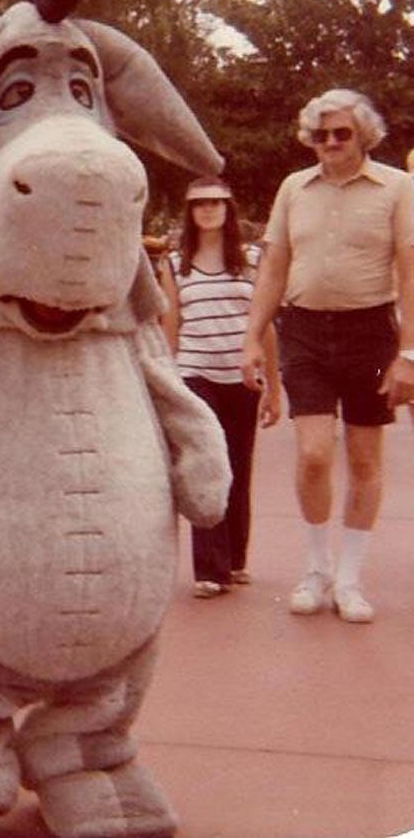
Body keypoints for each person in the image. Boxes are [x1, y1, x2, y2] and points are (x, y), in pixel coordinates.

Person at [241, 88, 414, 623]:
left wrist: (409, 353)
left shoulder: (399, 188)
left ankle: (349, 577)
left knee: (363, 458)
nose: (331, 143)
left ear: (364, 135)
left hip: (370, 331)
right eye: (321, 135)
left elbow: (411, 272)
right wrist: (252, 336)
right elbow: (273, 267)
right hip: (306, 329)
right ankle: (316, 569)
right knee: (314, 452)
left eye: (341, 133)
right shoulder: (294, 188)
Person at [160, 177, 281, 598]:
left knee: (239, 465)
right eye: (199, 204)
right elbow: (170, 324)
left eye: (216, 203)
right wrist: (166, 378)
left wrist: (275, 387)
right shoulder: (175, 265)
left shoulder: (250, 260)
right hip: (194, 374)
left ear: (229, 209)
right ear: (190, 213)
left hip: (241, 375)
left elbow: (264, 326)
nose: (208, 210)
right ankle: (209, 569)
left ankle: (234, 559)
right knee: (207, 463)